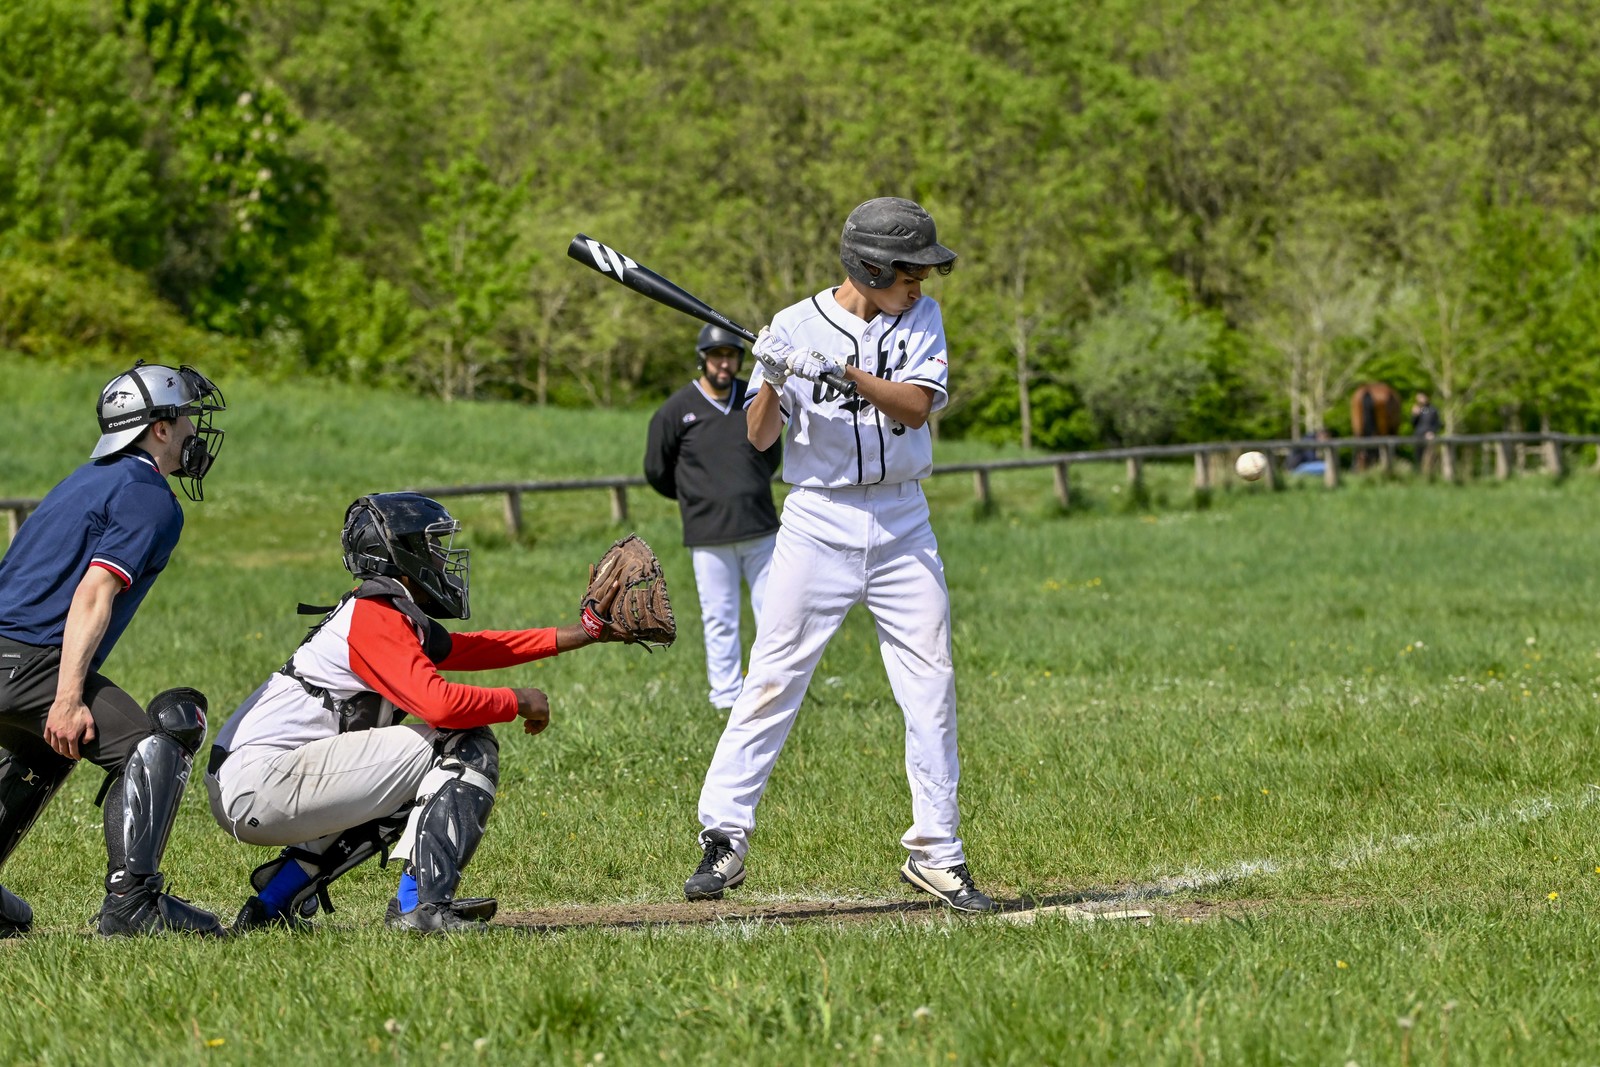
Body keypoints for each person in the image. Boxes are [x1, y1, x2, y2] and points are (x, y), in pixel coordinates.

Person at [681, 196, 997, 913]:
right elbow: (761, 438)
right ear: (871, 265)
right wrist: (774, 375)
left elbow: (916, 406)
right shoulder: (793, 326)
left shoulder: (921, 318)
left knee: (930, 685)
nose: (920, 283)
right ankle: (724, 834)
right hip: (816, 521)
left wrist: (842, 371)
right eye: (909, 270)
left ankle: (938, 852)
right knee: (770, 679)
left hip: (901, 521)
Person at [206, 492, 631, 935]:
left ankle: (273, 903)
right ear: (398, 553)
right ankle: (424, 908)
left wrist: (582, 633)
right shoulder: (375, 617)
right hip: (261, 784)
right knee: (462, 740)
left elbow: (472, 646)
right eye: (431, 546)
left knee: (420, 777)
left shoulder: (378, 610)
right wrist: (518, 700)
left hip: (252, 785)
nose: (441, 557)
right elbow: (440, 705)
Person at [1, 362, 228, 938]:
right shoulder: (147, 495)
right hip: (28, 663)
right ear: (157, 428)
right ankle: (134, 906)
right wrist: (68, 696)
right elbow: (93, 594)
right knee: (151, 743)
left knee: (49, 750)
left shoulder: (84, 478)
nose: (191, 435)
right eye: (185, 421)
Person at [644, 325, 782, 710]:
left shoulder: (753, 397)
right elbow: (657, 469)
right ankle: (725, 697)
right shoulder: (675, 410)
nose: (724, 363)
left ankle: (774, 689)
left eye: (731, 356)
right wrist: (697, 496)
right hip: (708, 533)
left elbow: (771, 450)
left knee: (774, 614)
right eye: (716, 355)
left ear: (739, 360)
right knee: (720, 618)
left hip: (760, 527)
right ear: (703, 358)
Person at [1411, 391, 1442, 475]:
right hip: (1418, 436)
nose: (1420, 400)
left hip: (1429, 436)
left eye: (1422, 397)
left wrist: (1432, 432)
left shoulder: (1432, 410)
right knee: (1418, 457)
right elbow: (1413, 424)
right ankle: (1419, 474)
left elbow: (1438, 424)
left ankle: (1430, 474)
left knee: (1430, 457)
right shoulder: (1419, 409)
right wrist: (1414, 415)